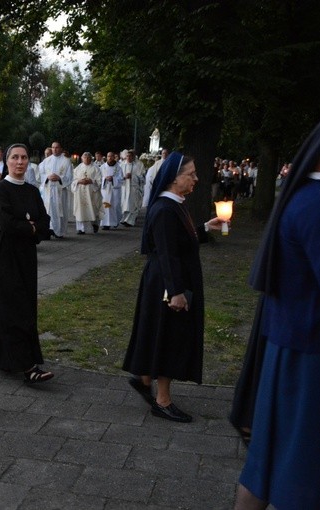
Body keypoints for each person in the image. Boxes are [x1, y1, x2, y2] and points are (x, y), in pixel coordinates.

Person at [233, 106, 320, 510]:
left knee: (268, 464)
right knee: (308, 471)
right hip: (316, 358)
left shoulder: (310, 198)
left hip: (295, 347)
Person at [122, 152, 223, 423]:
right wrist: (176, 291)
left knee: (159, 331)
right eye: (191, 174)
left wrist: (203, 228)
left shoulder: (175, 204)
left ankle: (144, 378)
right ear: (173, 178)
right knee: (170, 335)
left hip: (166, 279)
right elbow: (167, 253)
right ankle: (162, 400)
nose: (196, 179)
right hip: (168, 283)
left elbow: (178, 241)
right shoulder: (166, 209)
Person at [0, 144, 53, 383]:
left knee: (24, 306)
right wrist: (30, 226)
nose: (20, 162)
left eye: (24, 157)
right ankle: (28, 366)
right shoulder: (0, 190)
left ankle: (1, 357)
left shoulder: (32, 191)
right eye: (15, 157)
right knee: (7, 308)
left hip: (25, 256)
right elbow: (6, 224)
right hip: (4, 256)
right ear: (7, 161)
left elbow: (45, 222)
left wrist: (32, 226)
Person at [37, 141, 73, 238]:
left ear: (61, 149)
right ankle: (48, 230)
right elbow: (41, 174)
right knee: (48, 210)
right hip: (48, 190)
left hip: (60, 190)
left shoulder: (66, 161)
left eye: (57, 147)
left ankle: (59, 231)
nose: (55, 149)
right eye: (53, 147)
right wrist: (47, 177)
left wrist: (59, 178)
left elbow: (69, 177)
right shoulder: (46, 160)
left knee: (59, 210)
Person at [70, 151, 102, 234]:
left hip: (91, 192)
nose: (87, 159)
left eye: (88, 157)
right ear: (82, 158)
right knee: (80, 210)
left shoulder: (96, 168)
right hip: (80, 192)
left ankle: (94, 224)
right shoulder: (77, 168)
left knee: (93, 209)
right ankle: (81, 229)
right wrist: (79, 181)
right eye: (85, 157)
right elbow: (73, 180)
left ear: (91, 158)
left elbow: (99, 181)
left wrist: (91, 181)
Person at [120, 150, 146, 227]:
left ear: (133, 157)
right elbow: (118, 177)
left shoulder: (139, 165)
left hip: (134, 187)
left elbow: (143, 177)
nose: (128, 158)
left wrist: (133, 177)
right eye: (127, 156)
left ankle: (130, 221)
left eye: (130, 156)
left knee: (133, 204)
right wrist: (124, 177)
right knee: (124, 204)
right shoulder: (122, 165)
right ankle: (124, 219)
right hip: (124, 187)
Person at [100, 151, 124, 229]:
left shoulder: (118, 167)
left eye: (111, 156)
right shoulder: (102, 167)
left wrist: (113, 179)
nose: (110, 158)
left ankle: (115, 221)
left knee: (115, 205)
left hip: (115, 190)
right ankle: (106, 224)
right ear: (106, 157)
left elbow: (121, 179)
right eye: (108, 156)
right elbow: (99, 178)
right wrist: (105, 179)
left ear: (114, 157)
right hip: (106, 189)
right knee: (106, 206)